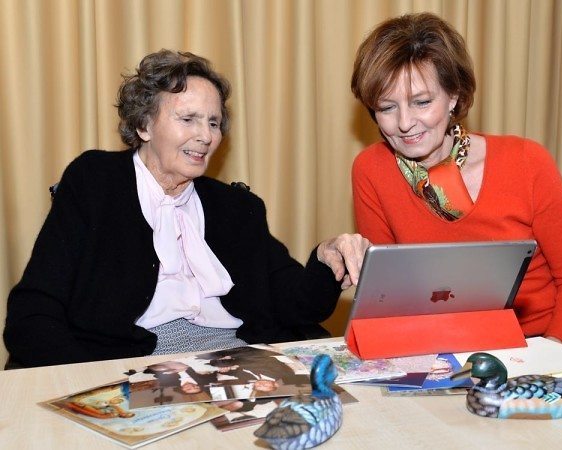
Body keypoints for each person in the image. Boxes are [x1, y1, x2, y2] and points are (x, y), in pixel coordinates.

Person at [4, 49, 370, 368]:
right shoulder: (96, 182)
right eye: (188, 119)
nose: (206, 135)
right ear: (144, 124)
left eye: (213, 122)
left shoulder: (236, 207)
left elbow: (294, 304)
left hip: (240, 364)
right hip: (134, 368)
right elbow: (33, 311)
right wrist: (89, 383)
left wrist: (325, 260)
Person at [350, 13, 562, 354]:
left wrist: (551, 354)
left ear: (453, 95)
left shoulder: (527, 161)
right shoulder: (371, 169)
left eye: (422, 102)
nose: (405, 123)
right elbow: (387, 299)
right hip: (440, 349)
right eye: (387, 107)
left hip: (542, 343)